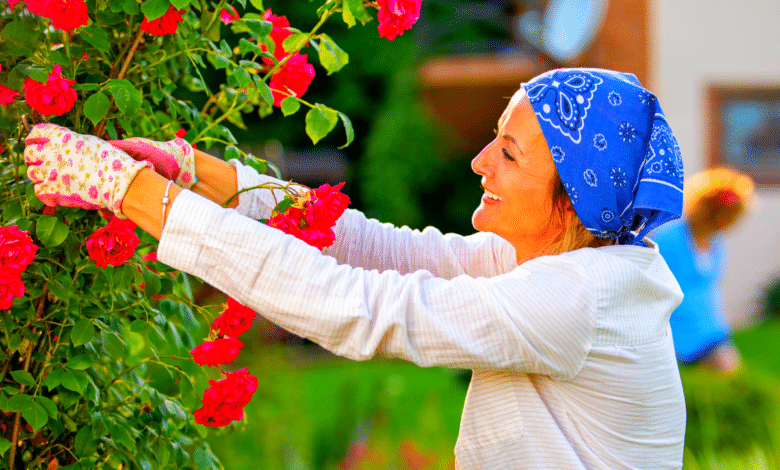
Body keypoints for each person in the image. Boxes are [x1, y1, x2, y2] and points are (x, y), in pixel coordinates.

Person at [24, 68, 687, 469]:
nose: (480, 162)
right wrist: (200, 174)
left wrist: (135, 193)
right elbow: (380, 251)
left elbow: (358, 306)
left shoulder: (573, 297)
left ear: (574, 195)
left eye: (510, 155)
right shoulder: (568, 262)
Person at [651, 167, 755, 373]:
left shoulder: (717, 243)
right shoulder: (668, 238)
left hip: (709, 331)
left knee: (731, 379)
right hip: (673, 333)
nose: (730, 224)